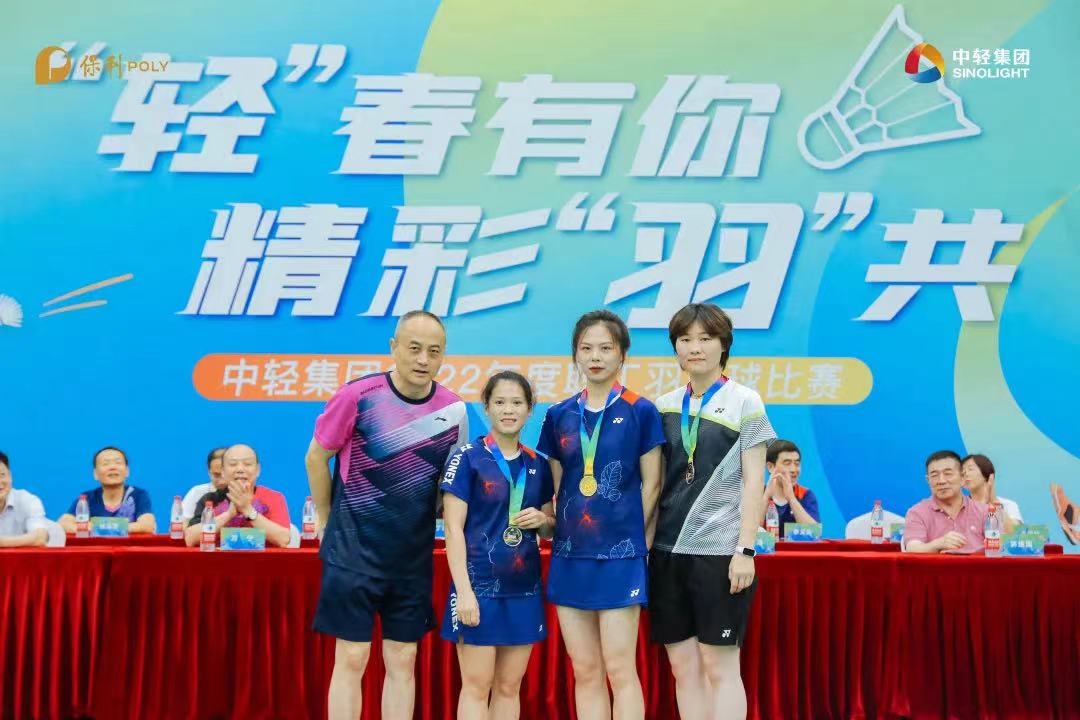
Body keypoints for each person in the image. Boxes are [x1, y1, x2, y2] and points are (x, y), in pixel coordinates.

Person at [306, 310, 468, 720]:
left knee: (402, 658)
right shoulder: (358, 395)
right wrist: (325, 519)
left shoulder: (454, 410)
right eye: (414, 348)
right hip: (353, 551)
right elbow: (317, 456)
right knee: (352, 657)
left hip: (411, 558)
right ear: (393, 348)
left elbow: (451, 483)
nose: (423, 359)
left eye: (434, 351)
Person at [536, 309, 664, 720]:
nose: (595, 356)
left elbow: (653, 485)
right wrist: (548, 527)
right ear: (574, 354)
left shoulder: (641, 410)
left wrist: (636, 541)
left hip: (621, 557)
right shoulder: (559, 415)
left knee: (620, 669)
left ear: (622, 354)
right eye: (586, 348)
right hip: (570, 555)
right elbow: (555, 488)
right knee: (585, 670)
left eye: (606, 348)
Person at [650, 303, 774, 720]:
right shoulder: (664, 405)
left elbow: (754, 482)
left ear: (724, 345)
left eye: (705, 338)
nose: (695, 347)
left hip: (719, 553)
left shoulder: (746, 401)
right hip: (666, 552)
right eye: (685, 339)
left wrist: (745, 550)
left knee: (720, 667)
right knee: (683, 668)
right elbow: (655, 482)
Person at [440, 371, 555, 720]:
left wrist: (543, 520)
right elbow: (452, 529)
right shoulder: (467, 457)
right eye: (500, 402)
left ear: (530, 409)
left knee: (508, 688)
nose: (508, 410)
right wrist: (464, 592)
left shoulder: (538, 464)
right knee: (476, 688)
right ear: (486, 407)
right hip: (478, 588)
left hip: (524, 589)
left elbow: (550, 529)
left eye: (517, 402)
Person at [184, 444, 291, 548]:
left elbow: (283, 539)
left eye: (247, 464)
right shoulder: (210, 500)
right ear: (223, 471)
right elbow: (190, 539)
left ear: (258, 470)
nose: (240, 469)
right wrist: (228, 515)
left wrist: (248, 511)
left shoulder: (274, 498)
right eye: (233, 464)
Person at [904, 450, 994, 554]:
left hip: (978, 564)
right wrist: (938, 544)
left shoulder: (984, 511)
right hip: (936, 565)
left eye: (948, 474)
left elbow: (1001, 547)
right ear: (928, 480)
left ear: (962, 478)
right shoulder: (917, 512)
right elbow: (913, 548)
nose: (941, 481)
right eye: (934, 475)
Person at [58, 447, 155, 534]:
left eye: (118, 463)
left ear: (127, 471)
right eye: (105, 464)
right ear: (95, 474)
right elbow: (63, 524)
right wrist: (123, 527)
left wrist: (97, 527)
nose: (112, 467)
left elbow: (147, 526)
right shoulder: (86, 498)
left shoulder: (138, 495)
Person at [761, 439, 820, 537]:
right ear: (771, 467)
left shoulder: (805, 495)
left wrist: (791, 499)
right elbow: (748, 534)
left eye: (797, 464)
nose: (793, 470)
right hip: (765, 548)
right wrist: (766, 497)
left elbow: (815, 535)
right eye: (787, 463)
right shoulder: (757, 494)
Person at [961, 453, 1021, 533]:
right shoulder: (959, 508)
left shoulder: (1007, 505)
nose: (965, 474)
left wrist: (994, 503)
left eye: (970, 469)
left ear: (987, 475)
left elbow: (1017, 534)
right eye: (962, 471)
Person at [0, 451, 49, 547]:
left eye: (1, 475)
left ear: (10, 476)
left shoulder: (27, 501)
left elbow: (40, 537)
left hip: (22, 557)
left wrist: (3, 543)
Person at [180, 447, 227, 521]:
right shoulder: (197, 492)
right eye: (216, 475)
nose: (222, 481)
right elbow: (180, 525)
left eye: (226, 475)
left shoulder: (246, 495)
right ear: (209, 472)